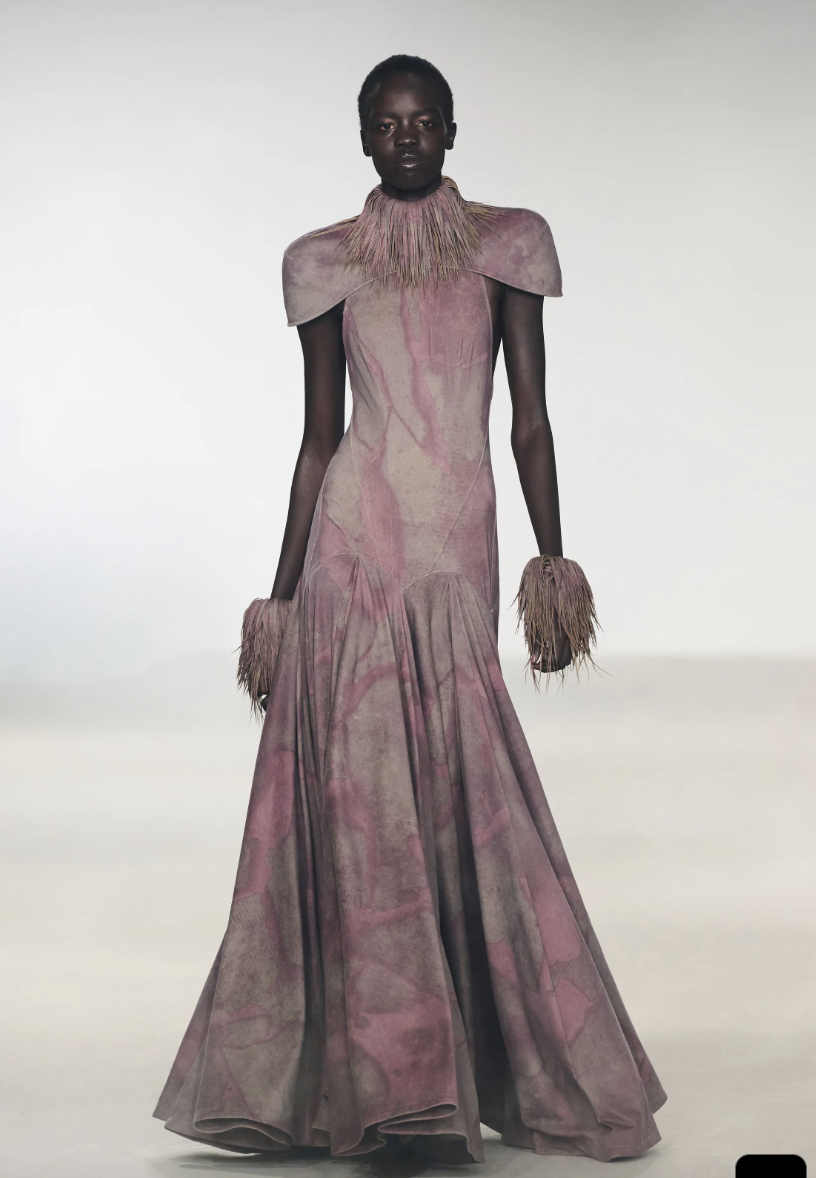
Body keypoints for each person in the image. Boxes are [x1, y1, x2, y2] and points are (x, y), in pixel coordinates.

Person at [153, 55, 666, 1178]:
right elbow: (318, 439)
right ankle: (400, 1098)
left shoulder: (508, 245)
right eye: (388, 125)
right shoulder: (324, 262)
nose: (407, 139)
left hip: (451, 548)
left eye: (424, 121)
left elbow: (530, 420)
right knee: (365, 806)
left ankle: (437, 1076)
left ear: (452, 129)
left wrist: (552, 559)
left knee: (456, 798)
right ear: (362, 137)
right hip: (352, 546)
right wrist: (281, 595)